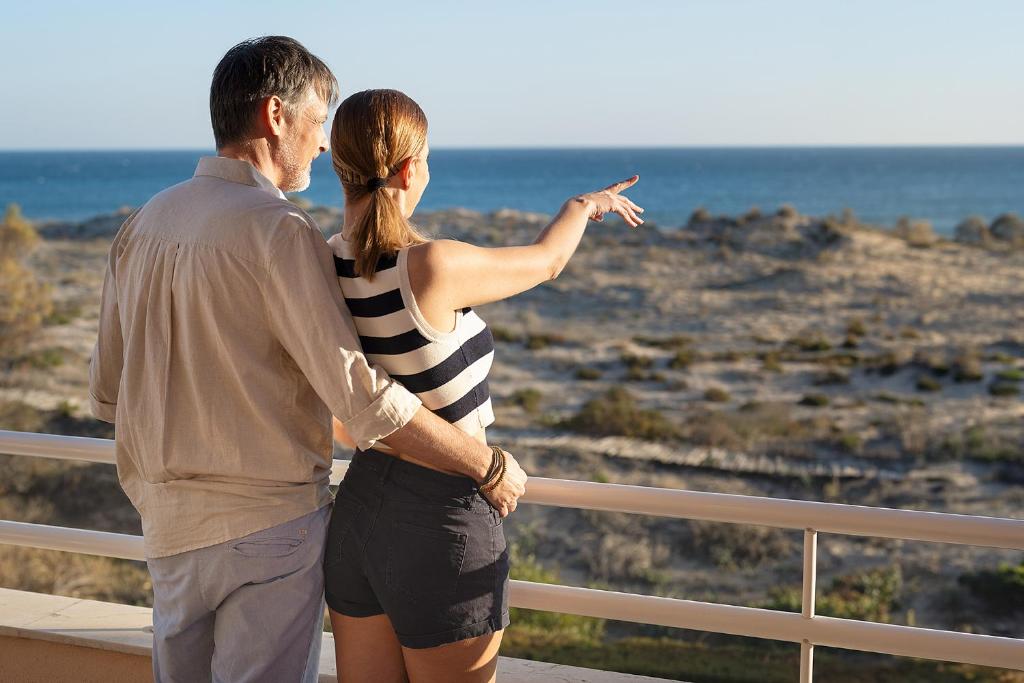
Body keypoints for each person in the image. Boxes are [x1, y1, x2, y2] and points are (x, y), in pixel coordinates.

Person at [88, 38, 525, 683]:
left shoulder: (143, 223)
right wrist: (483, 464)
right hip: (268, 528)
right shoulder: (279, 232)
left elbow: (108, 393)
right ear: (274, 116)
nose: (324, 144)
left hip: (169, 531)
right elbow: (363, 399)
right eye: (319, 120)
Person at [324, 89, 643, 683]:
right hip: (441, 513)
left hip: (360, 507)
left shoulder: (325, 265)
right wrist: (583, 205)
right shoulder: (432, 266)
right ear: (409, 168)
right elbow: (547, 262)